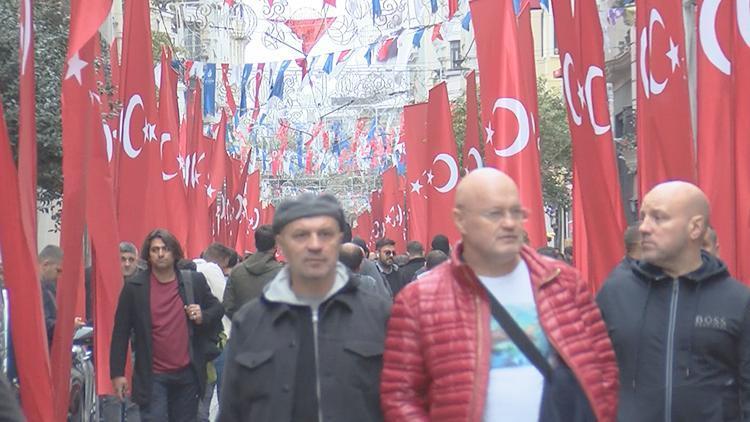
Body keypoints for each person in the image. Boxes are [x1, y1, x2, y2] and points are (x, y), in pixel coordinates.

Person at [381, 168, 618, 422]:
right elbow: (400, 395)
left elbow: (603, 371)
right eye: (494, 213)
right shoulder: (419, 300)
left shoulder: (564, 283)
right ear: (460, 220)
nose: (508, 223)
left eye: (515, 212)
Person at [219, 193, 391, 422]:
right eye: (300, 235)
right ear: (280, 243)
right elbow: (233, 412)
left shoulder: (378, 315)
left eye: (325, 234)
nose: (314, 245)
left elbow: (400, 404)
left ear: (339, 239)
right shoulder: (250, 322)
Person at [597, 181, 750, 421]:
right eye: (644, 217)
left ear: (695, 227)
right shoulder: (615, 293)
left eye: (659, 218)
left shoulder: (738, 301)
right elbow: (588, 378)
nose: (644, 228)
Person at [110, 229, 224, 422]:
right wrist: (117, 373)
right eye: (155, 250)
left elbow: (218, 309)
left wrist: (201, 315)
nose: (160, 254)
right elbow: (120, 331)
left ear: (174, 252)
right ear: (148, 254)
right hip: (152, 375)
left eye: (165, 249)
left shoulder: (193, 281)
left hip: (187, 374)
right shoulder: (135, 288)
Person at [195, 242, 235, 422]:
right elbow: (224, 301)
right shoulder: (211, 269)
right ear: (222, 261)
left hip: (197, 341)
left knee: (202, 393)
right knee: (223, 391)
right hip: (220, 338)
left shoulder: (188, 268)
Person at [223, 225, 283, 320]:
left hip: (243, 330)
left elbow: (228, 306)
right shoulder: (283, 274)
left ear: (255, 243)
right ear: (276, 244)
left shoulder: (237, 271)